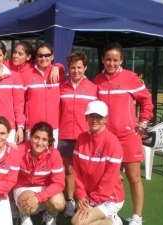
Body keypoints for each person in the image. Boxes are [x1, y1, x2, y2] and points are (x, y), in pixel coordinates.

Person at [94, 42, 154, 225]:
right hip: (106, 138)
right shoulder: (97, 80)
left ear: (121, 60)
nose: (112, 63)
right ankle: (110, 212)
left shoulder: (131, 78)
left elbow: (147, 101)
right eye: (108, 59)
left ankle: (137, 217)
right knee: (107, 178)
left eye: (116, 60)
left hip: (128, 136)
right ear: (103, 59)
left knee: (134, 177)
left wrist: (143, 122)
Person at [58, 51, 97, 217]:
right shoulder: (62, 87)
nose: (76, 71)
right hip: (65, 136)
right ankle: (70, 202)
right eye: (73, 68)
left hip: (85, 136)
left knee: (88, 171)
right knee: (69, 171)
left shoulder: (94, 88)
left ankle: (90, 201)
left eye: (79, 67)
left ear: (85, 68)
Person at [72, 100, 125, 225]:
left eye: (99, 117)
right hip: (89, 196)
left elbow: (109, 178)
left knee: (78, 222)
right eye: (91, 116)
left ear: (106, 119)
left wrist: (92, 202)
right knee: (79, 221)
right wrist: (81, 195)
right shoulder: (81, 138)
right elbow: (77, 171)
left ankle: (113, 222)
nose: (94, 120)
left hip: (110, 198)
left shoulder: (112, 142)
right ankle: (109, 220)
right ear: (86, 117)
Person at [13, 122, 66, 225]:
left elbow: (59, 184)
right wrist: (8, 145)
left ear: (49, 142)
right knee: (26, 204)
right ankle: (24, 214)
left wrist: (38, 197)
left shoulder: (54, 154)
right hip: (23, 187)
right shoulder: (19, 150)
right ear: (31, 136)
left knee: (59, 203)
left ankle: (49, 215)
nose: (39, 143)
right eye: (36, 137)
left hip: (44, 187)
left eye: (44, 139)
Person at [21, 43, 65, 147]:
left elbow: (63, 67)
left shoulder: (59, 74)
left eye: (47, 55)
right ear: (35, 57)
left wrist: (56, 66)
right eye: (40, 55)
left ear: (52, 56)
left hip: (53, 126)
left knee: (50, 158)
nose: (43, 58)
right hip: (32, 126)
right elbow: (19, 102)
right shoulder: (25, 75)